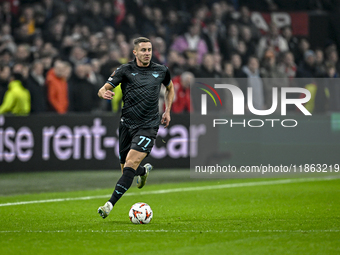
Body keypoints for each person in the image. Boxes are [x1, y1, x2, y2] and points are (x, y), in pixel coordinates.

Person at [97, 37, 174, 219]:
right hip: (126, 125)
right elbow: (103, 88)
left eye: (149, 50)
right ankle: (143, 171)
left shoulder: (161, 70)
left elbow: (170, 88)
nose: (147, 53)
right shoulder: (125, 70)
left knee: (130, 163)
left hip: (148, 125)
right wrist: (103, 93)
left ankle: (109, 205)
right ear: (135, 52)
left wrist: (168, 110)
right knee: (127, 170)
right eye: (143, 50)